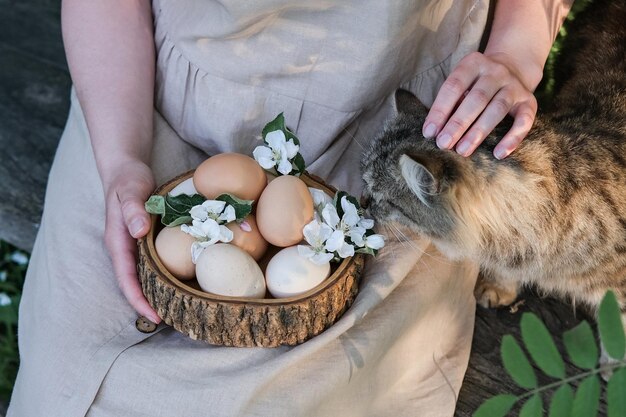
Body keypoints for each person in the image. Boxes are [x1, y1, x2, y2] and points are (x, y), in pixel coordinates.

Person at [8, 0, 572, 416]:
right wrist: (122, 162)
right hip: (149, 105)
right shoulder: (137, 144)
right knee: (71, 382)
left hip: (396, 139)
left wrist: (513, 55)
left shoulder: (408, 165)